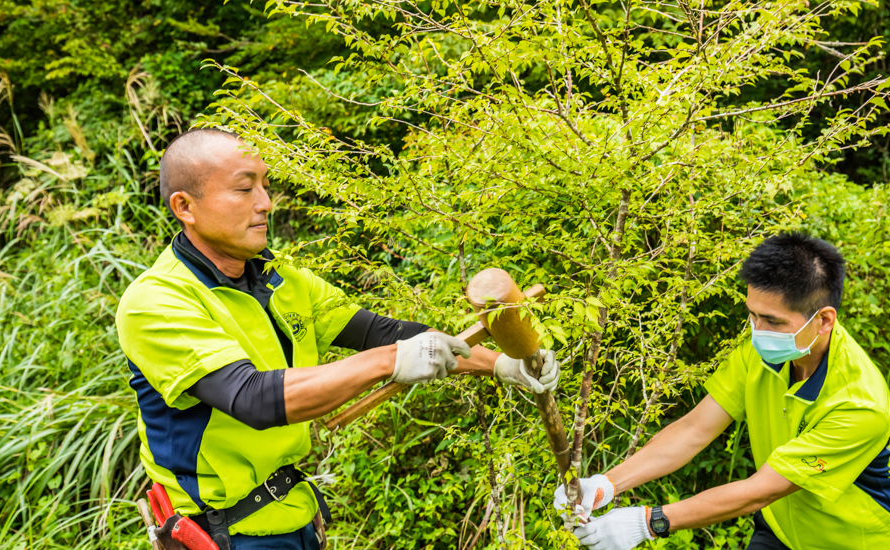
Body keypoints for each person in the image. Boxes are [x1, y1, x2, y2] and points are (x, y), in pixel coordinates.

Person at [117, 128, 560, 550]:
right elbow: (251, 398)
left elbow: (385, 335)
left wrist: (502, 364)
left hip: (294, 513)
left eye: (266, 186)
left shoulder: (281, 279)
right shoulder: (156, 301)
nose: (266, 204)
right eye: (244, 188)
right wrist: (390, 360)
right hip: (220, 533)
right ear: (185, 206)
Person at [554, 234, 890, 550]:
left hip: (859, 542)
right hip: (781, 532)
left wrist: (648, 522)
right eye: (753, 315)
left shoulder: (859, 404)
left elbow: (761, 489)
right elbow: (695, 429)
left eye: (773, 321)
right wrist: (606, 484)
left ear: (823, 320)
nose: (758, 330)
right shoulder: (760, 351)